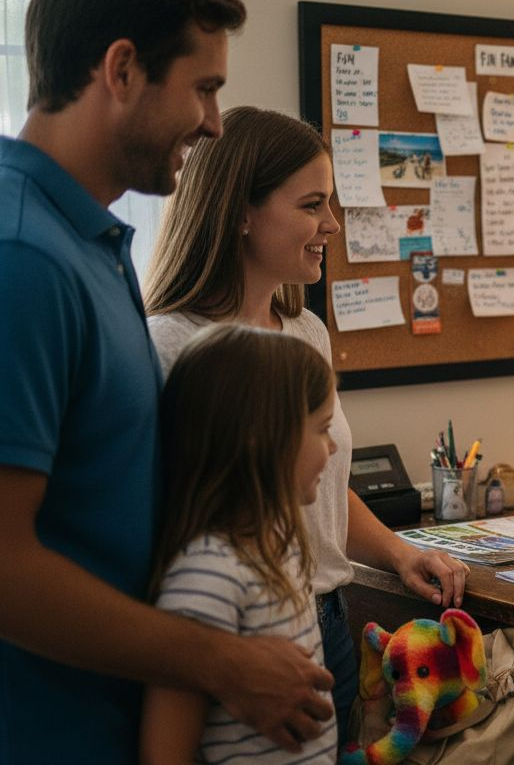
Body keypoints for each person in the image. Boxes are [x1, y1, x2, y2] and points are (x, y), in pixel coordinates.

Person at [0, 0, 333, 763]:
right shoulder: (24, 256)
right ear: (121, 70)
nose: (215, 123)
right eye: (203, 88)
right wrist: (222, 660)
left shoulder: (91, 239)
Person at [143, 105, 470, 747]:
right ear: (239, 211)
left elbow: (319, 481)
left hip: (327, 620)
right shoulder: (167, 347)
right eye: (312, 204)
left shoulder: (307, 333)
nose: (332, 224)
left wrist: (402, 553)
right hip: (233, 636)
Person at [142, 325, 339, 764]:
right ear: (263, 438)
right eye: (322, 429)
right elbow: (165, 752)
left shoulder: (281, 547)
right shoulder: (209, 574)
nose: (333, 446)